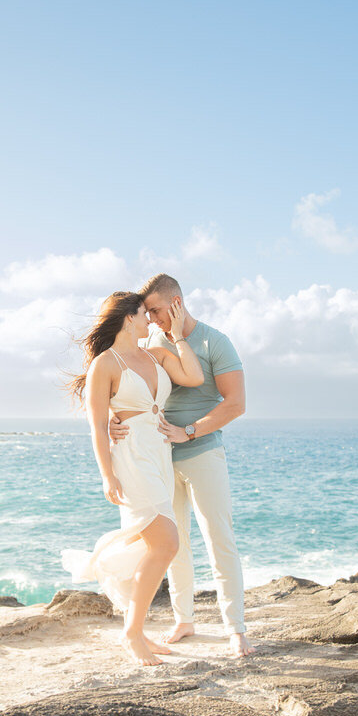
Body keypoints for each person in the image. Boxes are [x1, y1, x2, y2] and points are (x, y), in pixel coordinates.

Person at [110, 273, 254, 657]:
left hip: (203, 451)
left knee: (218, 538)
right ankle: (184, 619)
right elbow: (131, 389)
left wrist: (188, 431)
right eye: (147, 312)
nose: (151, 318)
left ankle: (235, 628)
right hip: (157, 459)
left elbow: (236, 404)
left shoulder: (214, 341)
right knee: (175, 544)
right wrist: (116, 417)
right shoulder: (152, 342)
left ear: (176, 302)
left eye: (156, 310)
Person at [61, 290, 204, 666]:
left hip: (160, 454)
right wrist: (107, 475)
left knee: (157, 543)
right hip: (131, 459)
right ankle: (131, 634)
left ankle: (136, 629)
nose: (150, 321)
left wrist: (178, 336)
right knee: (166, 542)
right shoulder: (105, 365)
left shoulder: (156, 354)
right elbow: (96, 427)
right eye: (144, 314)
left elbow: (194, 375)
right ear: (128, 317)